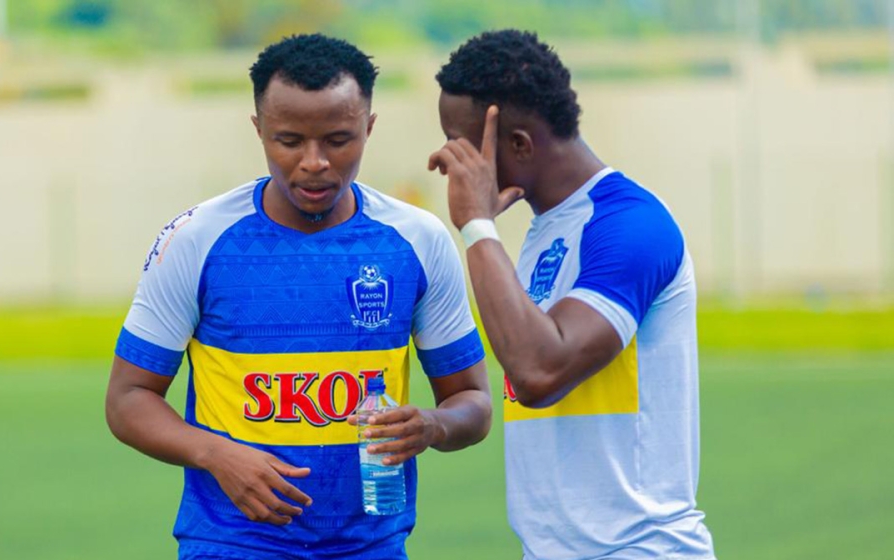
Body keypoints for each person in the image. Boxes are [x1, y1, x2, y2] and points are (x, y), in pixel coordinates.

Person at [105, 33, 491, 560]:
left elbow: (472, 402)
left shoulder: (418, 240)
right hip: (233, 543)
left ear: (368, 127)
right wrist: (217, 455)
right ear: (259, 129)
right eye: (289, 141)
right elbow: (128, 400)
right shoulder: (197, 240)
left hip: (372, 546)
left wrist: (433, 425)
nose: (314, 162)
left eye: (338, 139)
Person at [428, 30, 716, 560]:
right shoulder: (546, 230)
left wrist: (475, 225)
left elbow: (539, 372)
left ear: (519, 145)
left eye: (462, 145)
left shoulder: (630, 224)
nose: (449, 161)